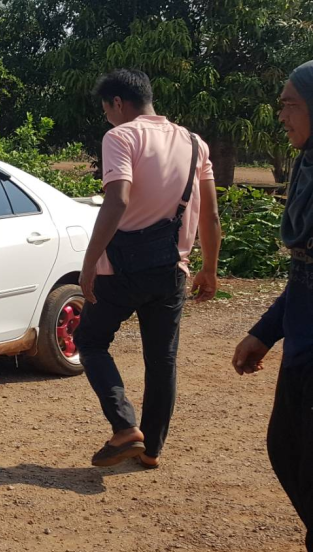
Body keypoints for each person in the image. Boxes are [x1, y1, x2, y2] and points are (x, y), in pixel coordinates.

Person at [75, 69, 222, 469]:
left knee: (89, 341)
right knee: (162, 359)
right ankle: (152, 449)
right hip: (172, 269)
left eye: (107, 109)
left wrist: (88, 264)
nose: (107, 117)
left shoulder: (120, 136)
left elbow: (117, 200)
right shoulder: (195, 144)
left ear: (118, 103)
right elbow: (209, 214)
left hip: (120, 269)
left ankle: (125, 428)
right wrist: (209, 268)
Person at [232, 60, 313, 552]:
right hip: (303, 343)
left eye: (290, 103)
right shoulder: (307, 168)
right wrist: (265, 333)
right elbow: (303, 272)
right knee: (288, 449)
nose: (280, 113)